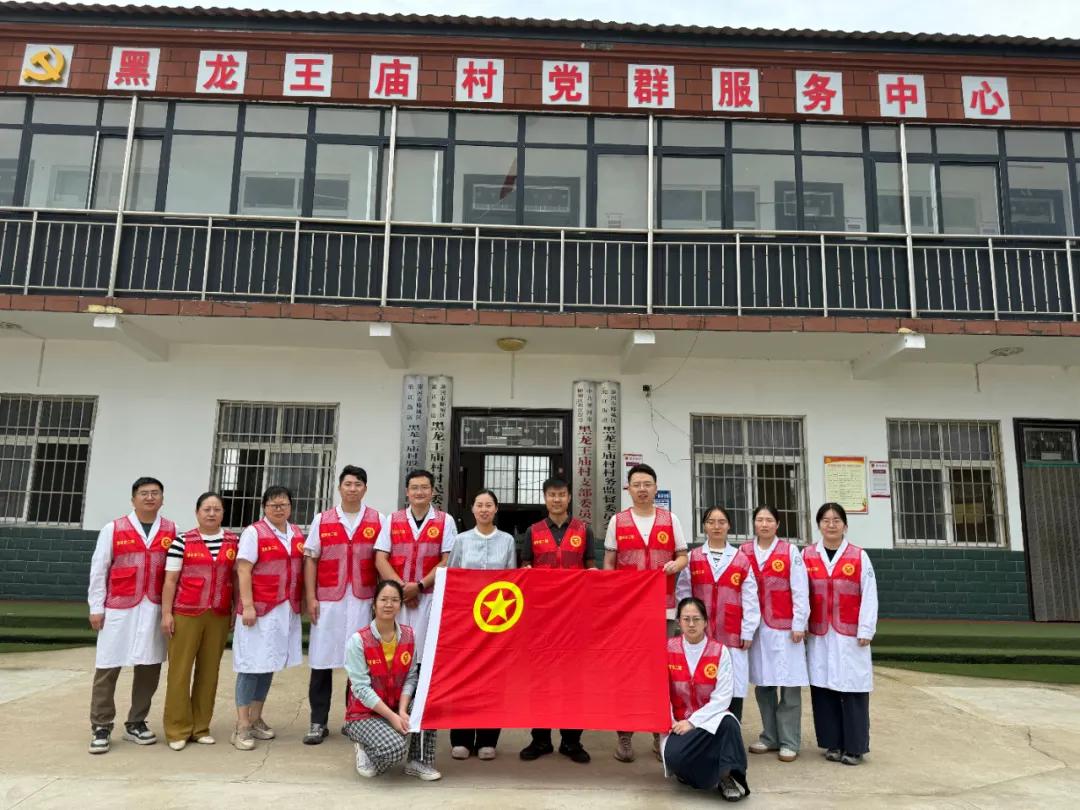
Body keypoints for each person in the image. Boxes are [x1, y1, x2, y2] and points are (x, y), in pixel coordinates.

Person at [603, 462, 688, 763]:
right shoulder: (618, 521)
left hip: (664, 609)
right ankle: (624, 736)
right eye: (636, 484)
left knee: (661, 671)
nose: (642, 489)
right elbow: (609, 563)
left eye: (647, 484)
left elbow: (682, 555)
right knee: (627, 670)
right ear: (629, 488)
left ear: (655, 487)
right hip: (629, 611)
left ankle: (659, 733)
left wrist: (676, 565)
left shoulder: (670, 519)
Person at [86, 476, 175, 754]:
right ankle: (101, 725)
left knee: (149, 666)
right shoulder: (113, 528)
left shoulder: (171, 530)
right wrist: (96, 607)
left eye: (155, 493)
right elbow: (99, 568)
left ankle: (136, 722)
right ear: (133, 499)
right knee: (108, 666)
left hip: (154, 608)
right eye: (144, 493)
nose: (150, 497)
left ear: (162, 499)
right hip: (119, 608)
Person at [302, 465, 384, 745]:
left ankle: (354, 720)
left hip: (363, 600)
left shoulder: (377, 519)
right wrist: (311, 597)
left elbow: (382, 559)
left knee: (359, 663)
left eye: (358, 484)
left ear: (365, 488)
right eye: (348, 484)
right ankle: (318, 722)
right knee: (321, 661)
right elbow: (311, 559)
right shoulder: (323, 520)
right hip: (329, 600)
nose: (352, 489)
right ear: (339, 488)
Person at [517, 476, 595, 765]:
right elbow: (524, 568)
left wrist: (594, 575)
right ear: (545, 498)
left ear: (569, 497)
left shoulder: (584, 530)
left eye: (562, 494)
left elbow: (591, 567)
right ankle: (540, 739)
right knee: (541, 679)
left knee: (573, 680)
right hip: (542, 620)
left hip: (575, 619)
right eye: (552, 495)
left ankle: (572, 741)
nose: (557, 499)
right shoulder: (533, 531)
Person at [160, 491, 238, 750]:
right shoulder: (182, 541)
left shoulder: (233, 542)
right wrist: (167, 613)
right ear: (197, 512)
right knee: (180, 672)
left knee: (209, 671)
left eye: (217, 509)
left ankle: (200, 727)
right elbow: (170, 580)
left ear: (223, 513)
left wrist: (236, 608)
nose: (212, 514)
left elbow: (236, 578)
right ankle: (177, 729)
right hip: (186, 612)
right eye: (207, 509)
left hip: (218, 614)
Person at [804, 502, 878, 766]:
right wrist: (801, 623)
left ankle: (855, 747)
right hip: (819, 633)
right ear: (819, 525)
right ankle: (832, 743)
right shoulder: (808, 555)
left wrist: (866, 628)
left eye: (836, 520)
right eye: (826, 520)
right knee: (823, 688)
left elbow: (869, 594)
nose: (831, 525)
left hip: (850, 633)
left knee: (853, 688)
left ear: (845, 526)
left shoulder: (859, 556)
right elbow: (800, 593)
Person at [343, 579, 441, 781]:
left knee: (429, 705)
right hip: (364, 714)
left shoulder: (409, 635)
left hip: (396, 705)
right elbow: (361, 689)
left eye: (395, 600)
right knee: (395, 749)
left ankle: (418, 761)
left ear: (400, 604)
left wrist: (403, 711)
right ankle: (364, 748)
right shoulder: (358, 641)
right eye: (384, 599)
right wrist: (392, 717)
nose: (389, 604)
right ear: (374, 604)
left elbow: (411, 676)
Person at [231, 486, 304, 751]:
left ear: (291, 507)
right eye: (274, 505)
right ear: (264, 507)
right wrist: (248, 605)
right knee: (250, 665)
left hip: (284, 609)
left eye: (284, 504)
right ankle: (241, 725)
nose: (279, 509)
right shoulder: (254, 532)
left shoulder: (295, 533)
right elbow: (243, 569)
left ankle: (256, 717)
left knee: (268, 663)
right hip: (259, 609)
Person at [445, 489, 516, 761]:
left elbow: (512, 581)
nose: (484, 509)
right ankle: (461, 738)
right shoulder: (461, 540)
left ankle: (488, 739)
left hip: (497, 622)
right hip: (465, 620)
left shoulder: (507, 540)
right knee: (464, 677)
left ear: (496, 509)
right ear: (472, 509)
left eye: (489, 505)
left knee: (492, 680)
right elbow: (452, 577)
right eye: (479, 505)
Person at [675, 506, 759, 721]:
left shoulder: (741, 559)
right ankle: (702, 730)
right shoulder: (693, 558)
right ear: (704, 526)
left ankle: (731, 729)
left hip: (732, 631)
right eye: (711, 522)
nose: (716, 526)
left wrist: (748, 630)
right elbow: (683, 593)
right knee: (702, 682)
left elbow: (750, 598)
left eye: (721, 522)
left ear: (729, 526)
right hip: (700, 634)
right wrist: (688, 623)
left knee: (732, 684)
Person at [662, 597, 749, 803]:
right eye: (686, 619)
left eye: (696, 619)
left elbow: (723, 697)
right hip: (678, 724)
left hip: (711, 721)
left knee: (729, 725)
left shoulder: (720, 651)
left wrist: (693, 722)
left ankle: (725, 777)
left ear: (706, 622)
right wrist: (672, 722)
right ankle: (694, 771)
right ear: (678, 622)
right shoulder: (668, 649)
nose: (691, 624)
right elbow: (662, 693)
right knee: (675, 757)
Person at [743, 504, 809, 763]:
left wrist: (799, 623)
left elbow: (800, 589)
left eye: (769, 520)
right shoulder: (744, 551)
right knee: (764, 685)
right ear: (754, 523)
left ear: (778, 524)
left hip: (785, 629)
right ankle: (770, 736)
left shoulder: (790, 551)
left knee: (789, 686)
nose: (764, 524)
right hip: (757, 629)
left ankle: (790, 741)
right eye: (760, 519)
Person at [374, 469, 456, 666]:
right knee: (393, 651)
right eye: (415, 488)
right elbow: (380, 558)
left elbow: (447, 559)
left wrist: (418, 586)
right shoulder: (393, 519)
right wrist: (403, 589)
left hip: (429, 596)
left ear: (433, 491)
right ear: (407, 491)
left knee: (425, 653)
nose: (419, 492)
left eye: (425, 487)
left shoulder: (445, 520)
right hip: (397, 598)